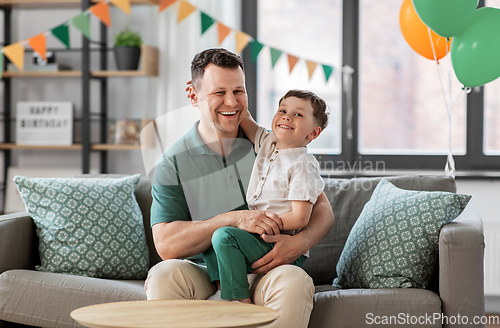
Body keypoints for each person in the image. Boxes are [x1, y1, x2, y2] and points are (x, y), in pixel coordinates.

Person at [145, 48, 335, 328]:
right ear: (193, 94)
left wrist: (299, 243)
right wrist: (233, 219)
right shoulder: (172, 163)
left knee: (294, 280)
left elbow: (323, 211)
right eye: (219, 92)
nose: (231, 102)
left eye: (239, 91)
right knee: (164, 274)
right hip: (205, 273)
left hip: (267, 268)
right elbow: (166, 245)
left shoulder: (272, 145)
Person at [204, 89, 329, 304]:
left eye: (298, 115)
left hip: (280, 240)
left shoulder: (303, 164)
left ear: (313, 133)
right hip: (259, 235)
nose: (287, 117)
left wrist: (257, 223)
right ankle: (224, 285)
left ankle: (240, 302)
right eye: (282, 110)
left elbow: (300, 218)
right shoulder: (267, 143)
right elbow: (244, 115)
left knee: (224, 236)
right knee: (207, 234)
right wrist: (223, 92)